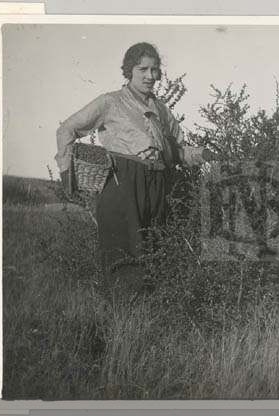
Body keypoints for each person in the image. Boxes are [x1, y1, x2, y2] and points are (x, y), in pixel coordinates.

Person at [56, 42, 215, 286]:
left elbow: (178, 150)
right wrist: (66, 168)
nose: (150, 76)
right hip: (122, 184)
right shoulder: (110, 102)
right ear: (129, 70)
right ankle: (122, 318)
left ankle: (149, 317)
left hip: (158, 187)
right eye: (143, 69)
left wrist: (202, 154)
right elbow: (67, 128)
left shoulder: (161, 110)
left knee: (154, 250)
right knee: (122, 253)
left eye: (154, 70)